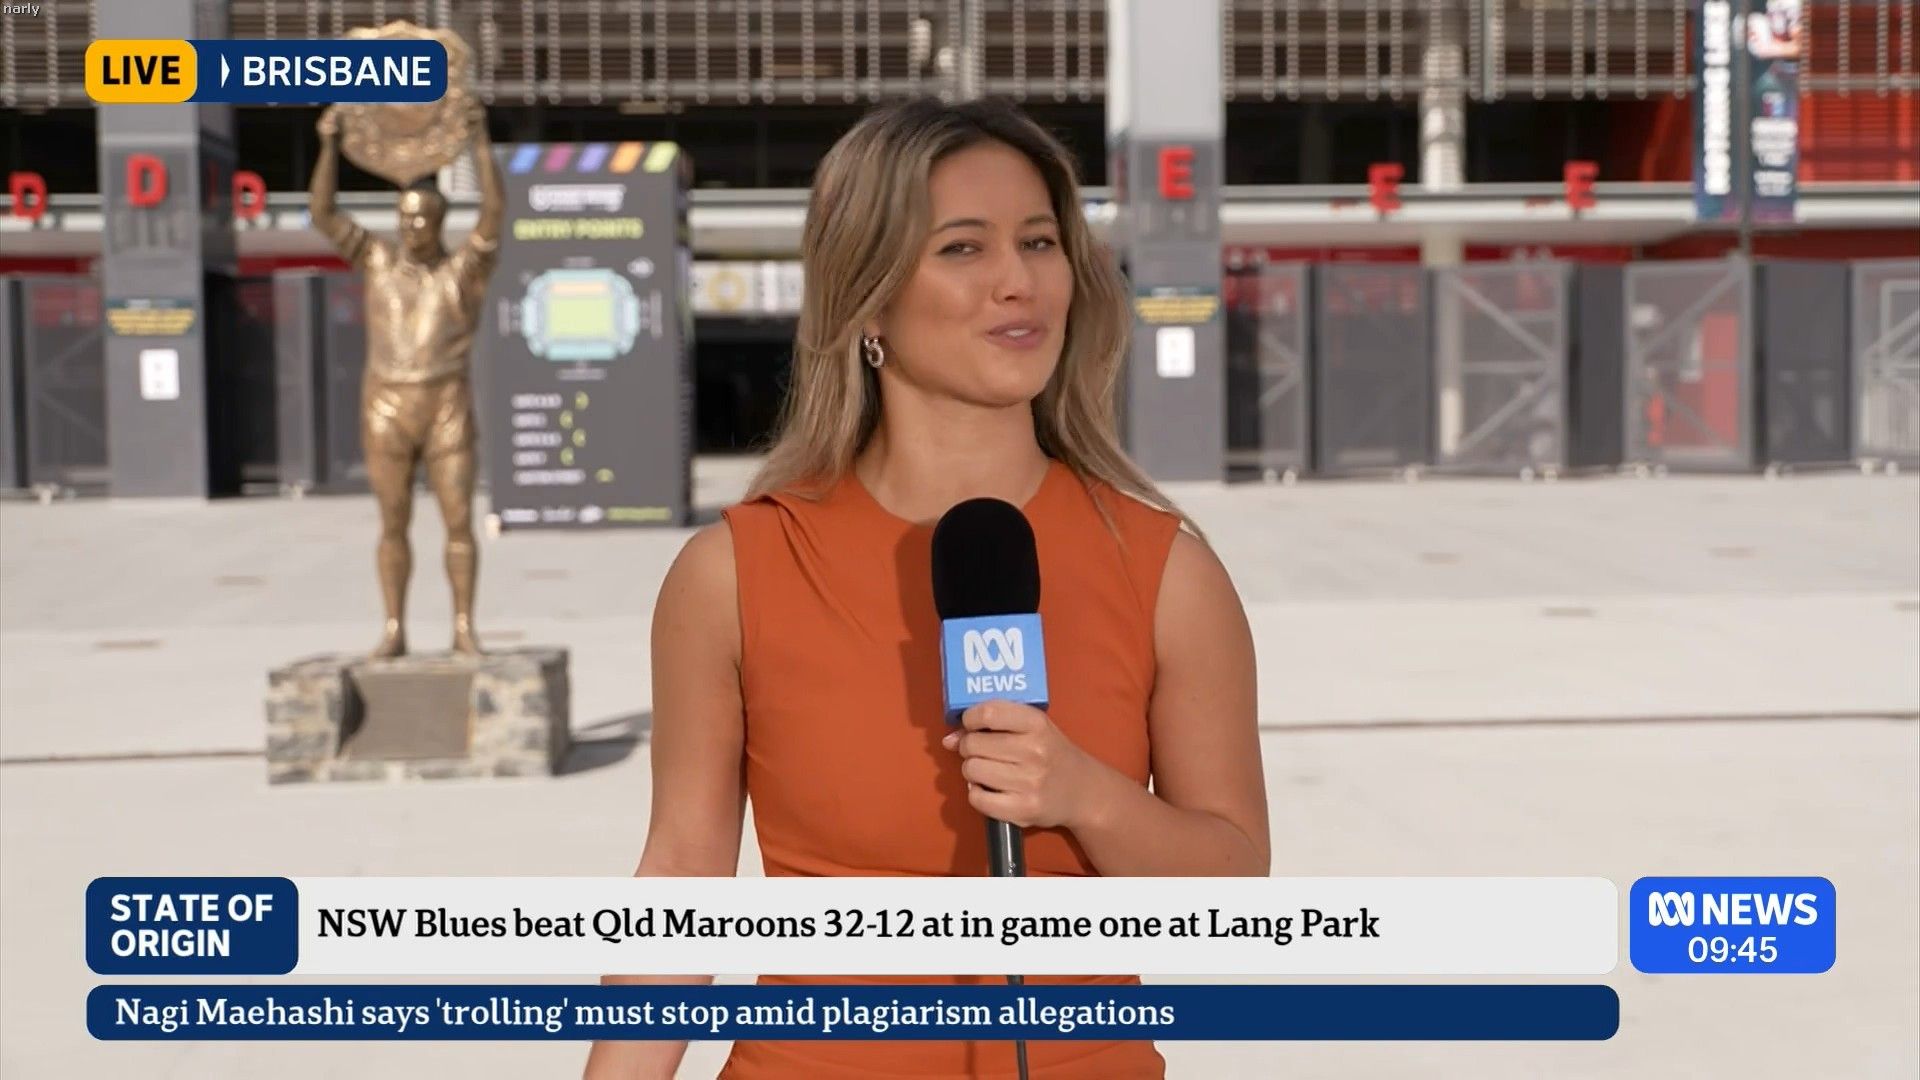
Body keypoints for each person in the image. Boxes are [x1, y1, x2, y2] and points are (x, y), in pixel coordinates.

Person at [584, 97, 1268, 1080]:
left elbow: (1235, 890)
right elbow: (682, 883)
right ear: (867, 300)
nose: (1017, 280)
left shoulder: (1166, 571)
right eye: (963, 248)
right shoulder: (735, 573)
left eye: (1040, 242)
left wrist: (1087, 797)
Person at [308, 99, 504, 658]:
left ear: (439, 221)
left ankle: (463, 626)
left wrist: (479, 143)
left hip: (445, 402)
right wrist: (328, 146)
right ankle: (394, 628)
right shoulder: (377, 261)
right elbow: (324, 213)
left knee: (458, 522)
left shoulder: (463, 271)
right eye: (404, 217)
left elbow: (494, 215)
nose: (411, 226)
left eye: (421, 217)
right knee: (392, 523)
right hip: (387, 403)